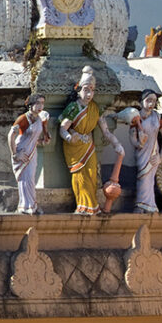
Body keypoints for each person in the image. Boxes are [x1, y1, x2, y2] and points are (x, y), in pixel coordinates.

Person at [59, 66, 123, 215]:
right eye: (86, 90)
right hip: (74, 147)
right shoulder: (73, 108)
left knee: (92, 176)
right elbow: (63, 128)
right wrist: (69, 137)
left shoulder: (95, 108)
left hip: (89, 146)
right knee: (79, 177)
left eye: (92, 90)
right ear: (79, 90)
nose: (89, 94)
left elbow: (105, 131)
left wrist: (117, 144)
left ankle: (92, 207)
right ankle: (82, 206)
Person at [8, 94, 50, 215]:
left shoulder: (40, 119)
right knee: (24, 179)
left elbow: (34, 138)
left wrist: (43, 141)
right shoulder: (24, 119)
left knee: (31, 179)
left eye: (42, 103)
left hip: (32, 152)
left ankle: (32, 205)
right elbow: (11, 135)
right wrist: (15, 154)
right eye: (37, 103)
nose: (40, 106)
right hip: (22, 151)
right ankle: (24, 206)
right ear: (30, 105)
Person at [130, 89, 162, 213]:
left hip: (153, 152)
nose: (151, 103)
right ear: (141, 101)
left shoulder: (157, 117)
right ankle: (141, 204)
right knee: (142, 177)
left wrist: (161, 157)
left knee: (149, 178)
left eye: (154, 101)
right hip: (142, 152)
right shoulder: (135, 117)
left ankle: (149, 204)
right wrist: (138, 143)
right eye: (148, 100)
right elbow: (132, 137)